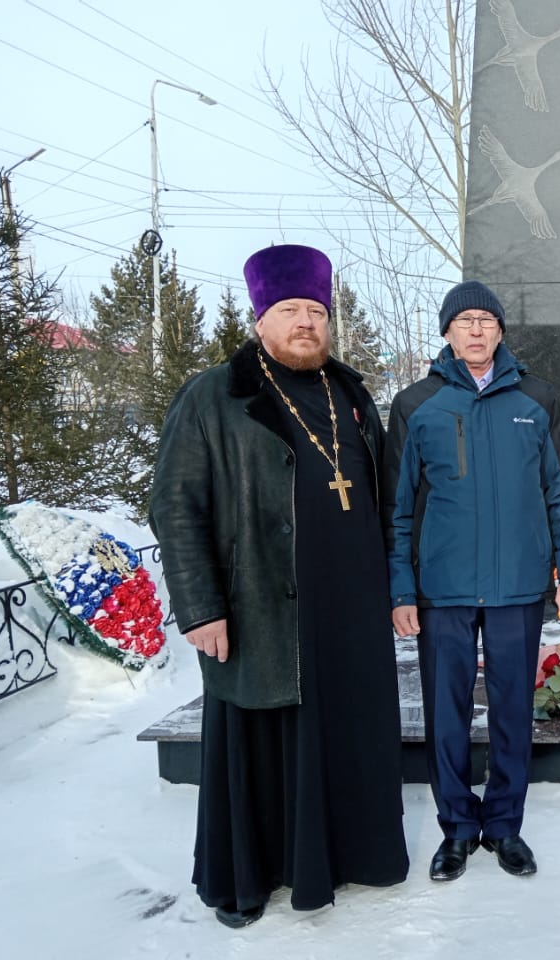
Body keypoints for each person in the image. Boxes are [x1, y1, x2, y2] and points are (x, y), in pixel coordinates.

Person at [148, 244, 409, 928]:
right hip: (260, 607)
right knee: (263, 743)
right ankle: (254, 876)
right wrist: (200, 606)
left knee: (346, 734)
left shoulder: (351, 394)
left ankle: (349, 856)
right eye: (290, 310)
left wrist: (396, 586)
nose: (305, 323)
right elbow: (175, 505)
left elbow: (383, 500)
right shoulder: (216, 395)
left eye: (316, 311)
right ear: (260, 318)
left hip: (350, 611)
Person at [385, 279, 560, 883]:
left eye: (486, 320)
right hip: (442, 590)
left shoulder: (537, 399)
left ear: (500, 330)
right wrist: (401, 590)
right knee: (445, 714)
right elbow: (396, 509)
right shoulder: (417, 404)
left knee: (511, 712)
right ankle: (456, 827)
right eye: (464, 320)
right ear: (447, 332)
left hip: (517, 587)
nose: (476, 330)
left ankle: (503, 824)